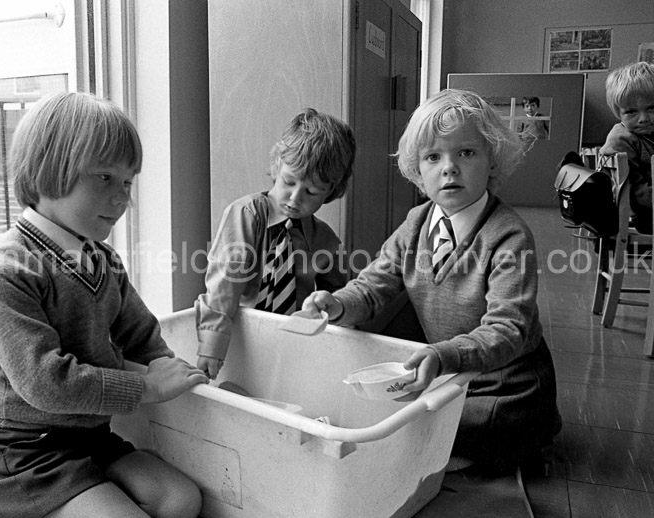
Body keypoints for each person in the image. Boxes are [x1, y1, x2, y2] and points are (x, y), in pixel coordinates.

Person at [0, 92, 208, 518]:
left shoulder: (103, 260)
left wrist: (176, 372)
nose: (123, 198)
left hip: (91, 437)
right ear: (48, 170)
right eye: (104, 177)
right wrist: (146, 388)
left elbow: (142, 336)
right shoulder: (2, 273)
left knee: (180, 500)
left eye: (127, 182)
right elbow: (45, 382)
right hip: (26, 455)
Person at [303, 89, 562, 474]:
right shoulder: (416, 222)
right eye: (433, 157)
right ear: (417, 172)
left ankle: (509, 451)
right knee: (396, 419)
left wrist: (443, 356)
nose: (450, 167)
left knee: (418, 432)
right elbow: (374, 284)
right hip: (453, 374)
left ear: (493, 161)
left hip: (507, 386)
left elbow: (508, 329)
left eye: (467, 153)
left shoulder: (509, 235)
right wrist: (338, 303)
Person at [195, 108, 356, 379]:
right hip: (239, 342)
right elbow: (224, 285)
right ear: (277, 166)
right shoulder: (247, 215)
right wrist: (211, 346)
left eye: (311, 192)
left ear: (332, 191)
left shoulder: (325, 240)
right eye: (288, 182)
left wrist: (337, 317)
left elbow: (342, 299)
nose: (294, 198)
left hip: (293, 349)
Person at [601, 61, 654, 234]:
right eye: (631, 112)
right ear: (618, 113)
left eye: (652, 108)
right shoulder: (621, 139)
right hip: (646, 215)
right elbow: (635, 193)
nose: (643, 118)